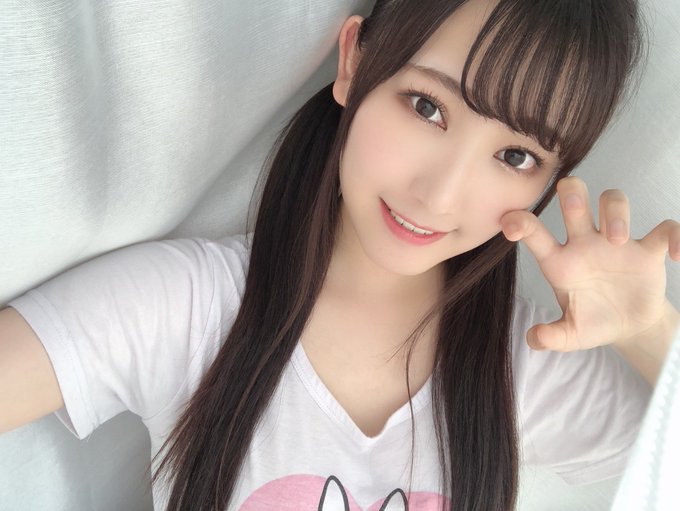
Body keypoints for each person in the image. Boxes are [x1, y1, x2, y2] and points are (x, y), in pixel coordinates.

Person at [1, 0, 679, 509]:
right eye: (427, 107)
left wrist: (651, 333)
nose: (440, 194)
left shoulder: (525, 369)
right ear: (354, 62)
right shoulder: (186, 309)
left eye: (515, 156)